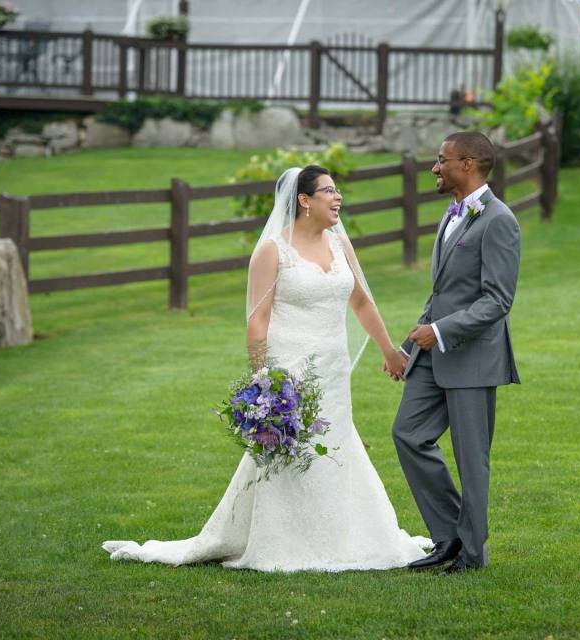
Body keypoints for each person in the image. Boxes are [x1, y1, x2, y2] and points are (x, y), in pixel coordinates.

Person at [103, 165, 429, 572]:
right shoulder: (273, 249)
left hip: (333, 367)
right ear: (305, 200)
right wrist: (263, 382)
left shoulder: (340, 243)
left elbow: (361, 302)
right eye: (328, 191)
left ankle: (346, 534)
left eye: (337, 190)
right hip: (288, 367)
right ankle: (282, 539)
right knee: (289, 451)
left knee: (336, 445)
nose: (338, 197)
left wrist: (389, 351)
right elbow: (257, 320)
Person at [390, 131, 521, 575]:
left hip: (472, 358)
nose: (434, 167)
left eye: (441, 160)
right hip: (431, 354)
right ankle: (448, 535)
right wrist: (411, 344)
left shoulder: (498, 220)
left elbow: (497, 301)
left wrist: (440, 331)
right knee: (408, 434)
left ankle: (472, 553)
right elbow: (444, 290)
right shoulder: (451, 216)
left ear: (468, 164)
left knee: (471, 458)